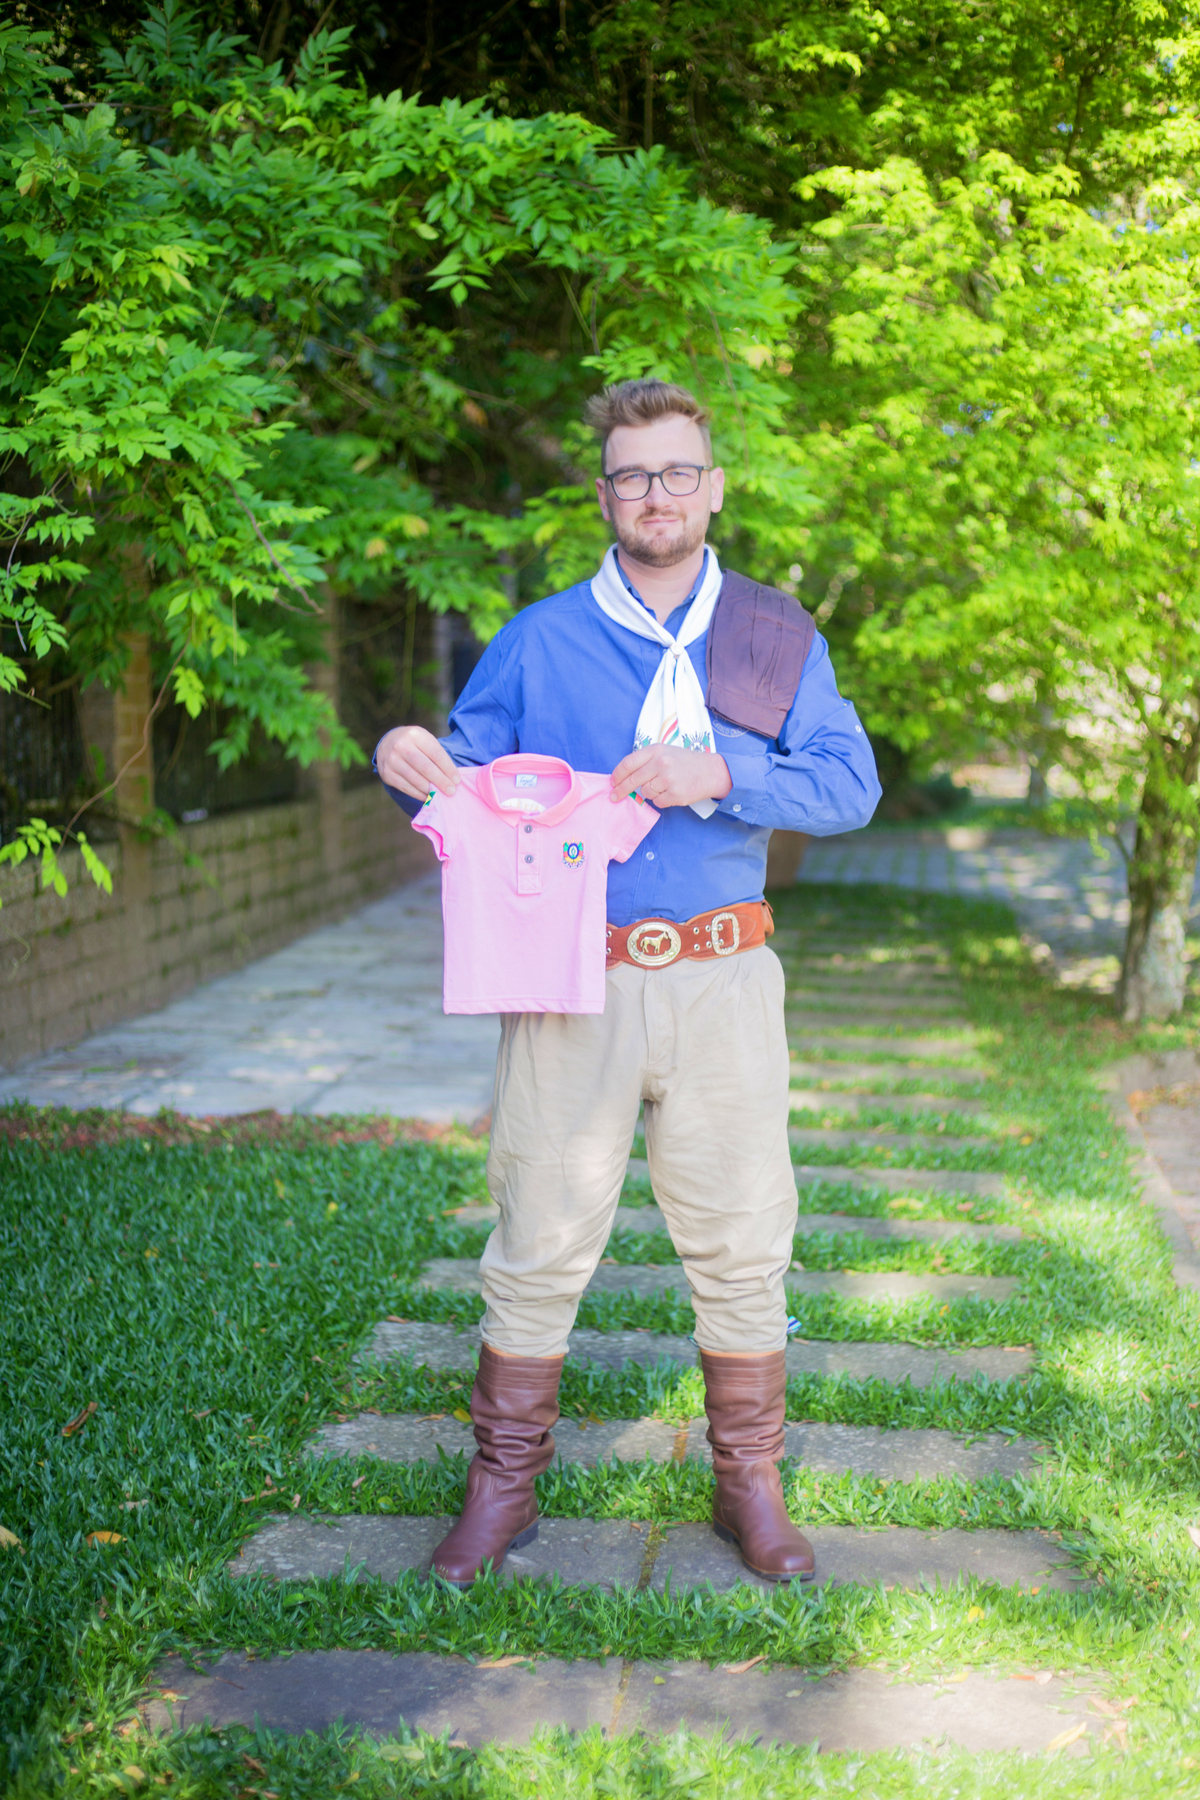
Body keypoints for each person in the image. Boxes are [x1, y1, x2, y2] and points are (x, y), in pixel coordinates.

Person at [374, 378, 881, 1588]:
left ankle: (747, 1486)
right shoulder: (541, 639)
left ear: (712, 487)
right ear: (604, 493)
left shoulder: (771, 633)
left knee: (744, 1241)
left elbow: (849, 788)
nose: (658, 494)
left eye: (679, 472)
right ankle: (504, 1489)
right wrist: (408, 766)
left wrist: (721, 777)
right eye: (633, 475)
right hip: (570, 979)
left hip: (723, 978)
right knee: (537, 1236)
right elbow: (461, 779)